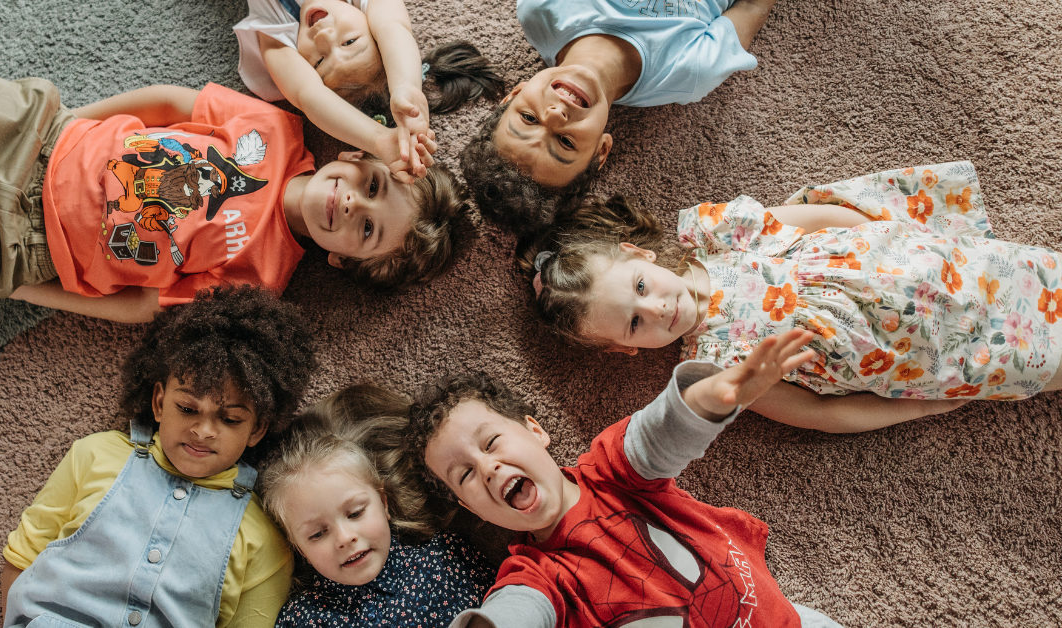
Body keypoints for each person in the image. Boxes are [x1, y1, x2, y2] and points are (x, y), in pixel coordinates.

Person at [0, 26, 469, 323]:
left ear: (341, 261)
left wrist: (19, 286)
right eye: (372, 189)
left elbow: (145, 305)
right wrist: (71, 121)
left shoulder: (261, 281)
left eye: (365, 232)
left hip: (23, 246)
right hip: (39, 138)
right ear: (355, 157)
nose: (350, 207)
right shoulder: (276, 133)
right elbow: (171, 104)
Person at [521, 162, 1062, 432]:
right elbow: (824, 413)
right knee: (1041, 360)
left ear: (639, 255)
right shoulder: (720, 371)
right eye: (635, 324)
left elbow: (826, 221)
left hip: (931, 267)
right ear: (624, 350)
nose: (658, 308)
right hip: (925, 356)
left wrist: (897, 241)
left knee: (1037, 277)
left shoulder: (724, 234)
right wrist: (923, 405)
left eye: (641, 288)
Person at [406, 330, 844, 628]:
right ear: (468, 506)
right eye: (464, 474)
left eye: (491, 443)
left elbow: (658, 434)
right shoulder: (536, 575)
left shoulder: (611, 468)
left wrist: (710, 397)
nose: (487, 468)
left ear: (535, 431)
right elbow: (518, 608)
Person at [0, 284, 318, 628]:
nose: (203, 430)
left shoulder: (263, 536)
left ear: (257, 430)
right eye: (186, 408)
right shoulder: (95, 455)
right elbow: (22, 557)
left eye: (229, 419)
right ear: (159, 402)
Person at [459, 0, 777, 235]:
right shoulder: (688, 73)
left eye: (528, 119)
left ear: (514, 94)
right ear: (601, 150)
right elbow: (752, 6)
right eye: (565, 142)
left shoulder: (542, 9)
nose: (555, 115)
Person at [258, 384, 496, 627]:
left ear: (384, 503)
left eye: (356, 513)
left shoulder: (447, 559)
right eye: (317, 533)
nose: (345, 538)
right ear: (299, 549)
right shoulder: (302, 618)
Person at [233, 0, 504, 180]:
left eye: (319, 61)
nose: (323, 36)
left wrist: (377, 140)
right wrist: (407, 88)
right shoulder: (362, 5)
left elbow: (307, 95)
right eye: (349, 42)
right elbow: (393, 26)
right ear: (370, 24)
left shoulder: (278, 27)